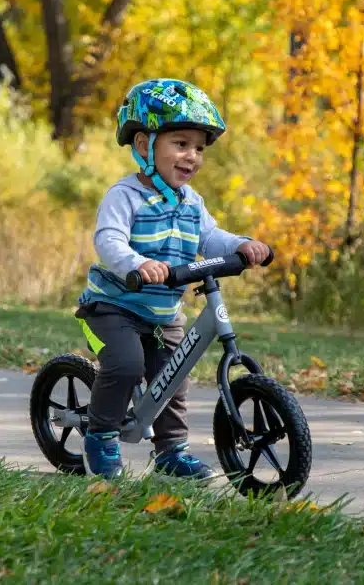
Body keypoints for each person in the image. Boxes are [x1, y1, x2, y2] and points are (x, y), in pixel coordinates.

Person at [75, 78, 272, 480]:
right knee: (127, 365)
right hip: (114, 306)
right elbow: (108, 239)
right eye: (181, 144)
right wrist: (136, 263)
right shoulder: (124, 196)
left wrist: (244, 245)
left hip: (164, 313)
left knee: (175, 377)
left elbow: (211, 238)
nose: (192, 156)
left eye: (199, 148)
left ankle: (170, 451)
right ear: (146, 146)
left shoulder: (191, 203)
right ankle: (100, 437)